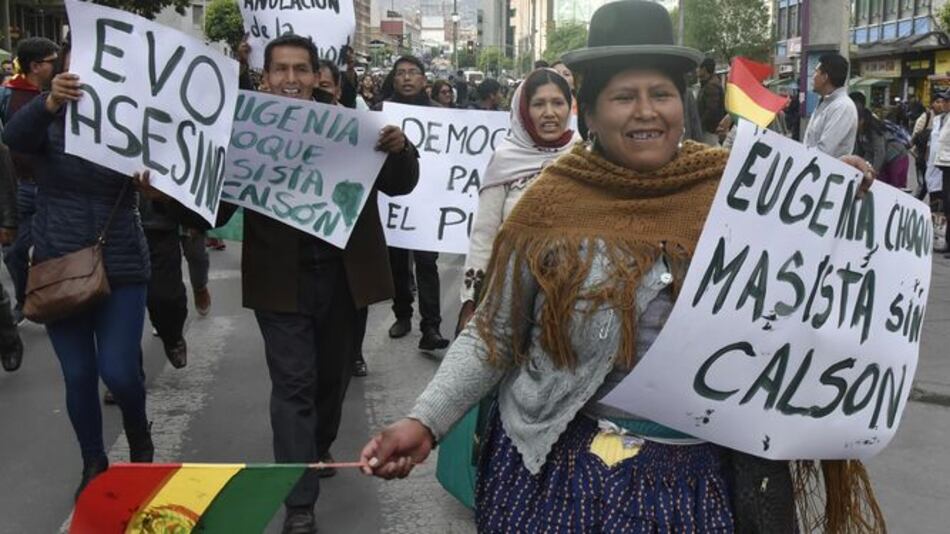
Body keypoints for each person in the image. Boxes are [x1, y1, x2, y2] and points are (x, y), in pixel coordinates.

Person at [360, 2, 882, 533]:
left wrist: (829, 187)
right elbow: (494, 333)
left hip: (702, 483)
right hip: (561, 479)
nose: (646, 111)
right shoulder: (551, 202)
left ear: (682, 104)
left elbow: (807, 281)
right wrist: (425, 420)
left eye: (661, 94)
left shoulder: (741, 190)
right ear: (588, 111)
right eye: (623, 97)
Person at [241, 35, 419, 534]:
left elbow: (402, 182)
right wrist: (164, 192)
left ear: (317, 75)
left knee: (330, 381)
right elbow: (216, 205)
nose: (292, 80)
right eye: (281, 70)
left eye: (301, 69)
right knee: (292, 385)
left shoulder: (350, 120)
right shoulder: (244, 129)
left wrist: (398, 148)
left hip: (344, 277)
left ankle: (317, 442)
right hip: (280, 281)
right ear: (266, 76)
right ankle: (299, 502)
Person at [2, 39, 153, 500]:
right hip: (59, 260)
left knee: (121, 371)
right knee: (79, 375)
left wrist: (152, 180)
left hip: (121, 258)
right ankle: (94, 460)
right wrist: (49, 103)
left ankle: (138, 435)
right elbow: (13, 138)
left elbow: (173, 171)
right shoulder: (47, 114)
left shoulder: (137, 119)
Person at [456, 68, 577, 333]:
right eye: (538, 104)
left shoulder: (583, 158)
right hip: (509, 298)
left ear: (570, 107)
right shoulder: (505, 160)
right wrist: (470, 300)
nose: (549, 113)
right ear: (523, 109)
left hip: (570, 300)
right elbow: (484, 234)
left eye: (558, 103)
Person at [378, 57, 451, 351]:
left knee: (426, 262)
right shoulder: (380, 113)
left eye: (413, 73)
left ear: (424, 80)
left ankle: (430, 326)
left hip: (428, 204)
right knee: (397, 261)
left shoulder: (442, 115)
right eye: (401, 73)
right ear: (394, 80)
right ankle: (403, 313)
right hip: (392, 201)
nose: (407, 78)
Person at [3, 38, 60, 329]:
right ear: (36, 66)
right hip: (22, 188)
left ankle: (57, 302)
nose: (59, 64)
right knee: (14, 252)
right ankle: (23, 301)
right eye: (53, 60)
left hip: (57, 191)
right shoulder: (7, 95)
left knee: (53, 253)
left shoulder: (68, 93)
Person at [803, 52, 858, 158]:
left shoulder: (843, 107)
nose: (813, 77)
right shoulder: (825, 102)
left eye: (816, 72)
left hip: (825, 171)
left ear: (825, 77)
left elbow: (825, 150)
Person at [933, 90, 950, 257]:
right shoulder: (943, 118)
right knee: (947, 204)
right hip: (944, 164)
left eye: (947, 101)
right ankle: (947, 241)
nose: (944, 103)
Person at [696, 57, 725, 145]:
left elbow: (712, 110)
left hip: (709, 131)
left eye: (698, 68)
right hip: (709, 130)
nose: (696, 70)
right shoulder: (708, 83)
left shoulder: (711, 86)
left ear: (704, 69)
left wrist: (699, 125)